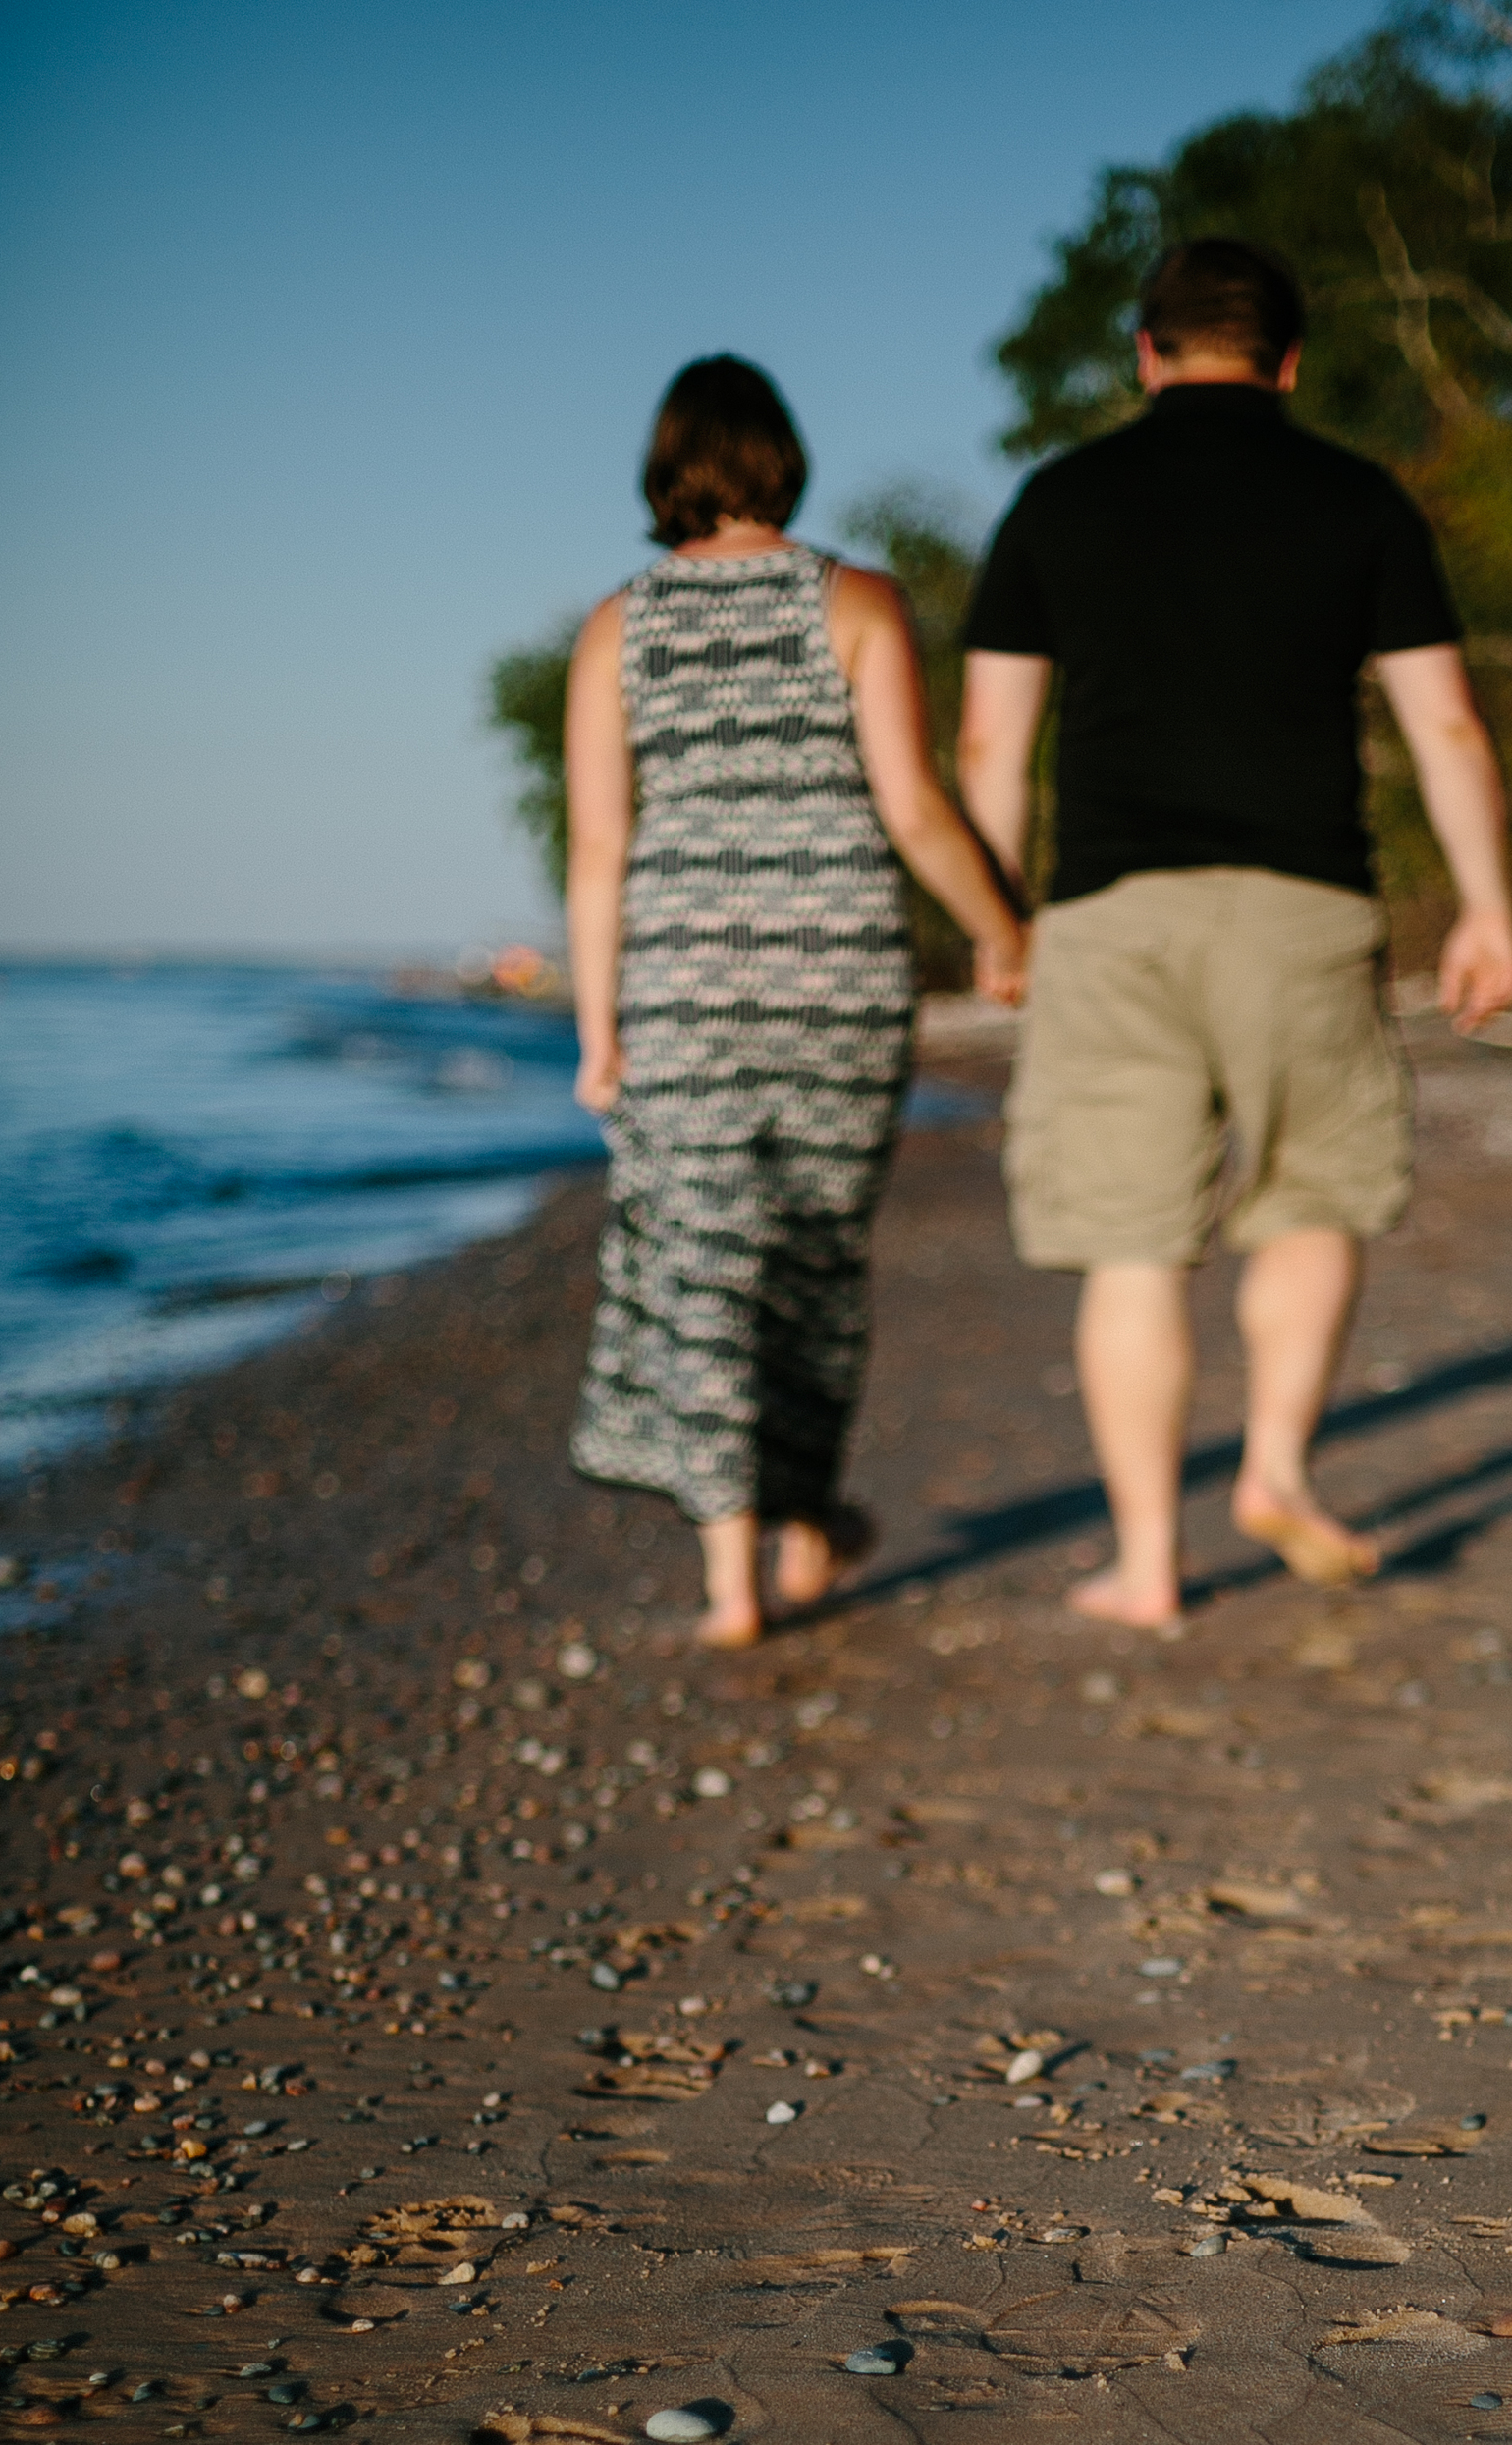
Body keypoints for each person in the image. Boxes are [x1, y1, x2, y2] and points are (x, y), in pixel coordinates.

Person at [958, 237, 1512, 1629]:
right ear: (1287, 363)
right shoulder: (1358, 498)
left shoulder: (1059, 499)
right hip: (1306, 907)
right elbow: (1443, 721)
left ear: (1146, 357)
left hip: (1110, 913)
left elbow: (989, 739)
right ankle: (1273, 1467)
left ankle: (1149, 1566)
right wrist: (1488, 906)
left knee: (1134, 1245)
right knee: (1315, 1198)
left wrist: (996, 917)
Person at [566, 355, 1027, 1648]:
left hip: (686, 993)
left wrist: (602, 1031)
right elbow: (916, 809)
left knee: (708, 1268)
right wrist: (1004, 930)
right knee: (818, 1269)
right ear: (784, 457)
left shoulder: (618, 626)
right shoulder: (858, 602)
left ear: (667, 466)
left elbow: (600, 849)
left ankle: (734, 1586)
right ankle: (808, 1524)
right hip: (841, 988)